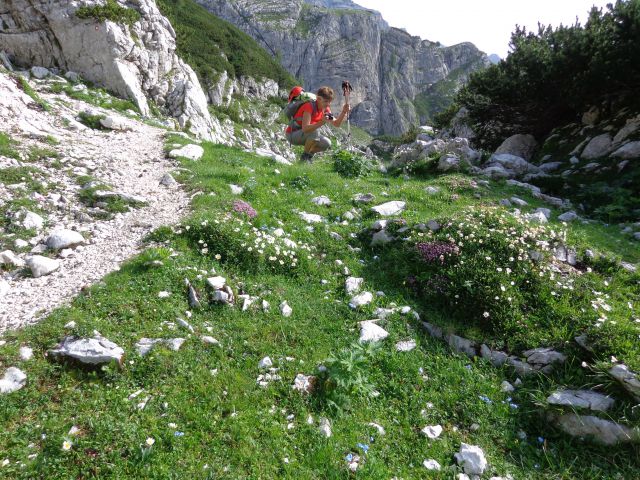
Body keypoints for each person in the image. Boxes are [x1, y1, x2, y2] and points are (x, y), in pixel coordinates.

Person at [285, 86, 351, 161]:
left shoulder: (326, 109)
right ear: (319, 99)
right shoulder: (309, 106)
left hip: (305, 135)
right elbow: (305, 128)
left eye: (330, 101)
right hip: (292, 134)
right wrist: (321, 122)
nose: (328, 104)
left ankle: (309, 156)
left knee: (326, 143)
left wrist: (344, 112)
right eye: (326, 101)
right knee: (315, 132)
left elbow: (336, 124)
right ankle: (304, 157)